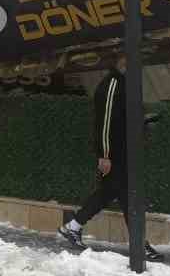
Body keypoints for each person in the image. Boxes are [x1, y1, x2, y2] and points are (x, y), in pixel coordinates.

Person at [59, 57, 162, 261]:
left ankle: (73, 226)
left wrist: (142, 121)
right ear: (122, 63)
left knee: (113, 193)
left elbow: (121, 118)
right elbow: (105, 122)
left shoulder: (122, 83)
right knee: (124, 194)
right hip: (115, 153)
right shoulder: (113, 84)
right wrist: (104, 155)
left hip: (122, 152)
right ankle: (139, 244)